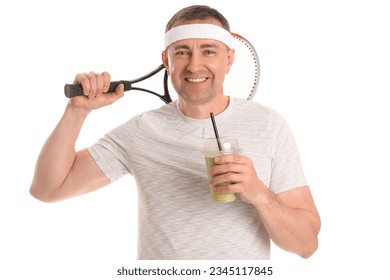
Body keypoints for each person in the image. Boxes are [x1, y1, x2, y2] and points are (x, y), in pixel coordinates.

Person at [30, 5, 320, 260]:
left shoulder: (268, 124)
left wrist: (258, 193)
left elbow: (306, 245)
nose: (194, 65)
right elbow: (48, 188)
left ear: (228, 60)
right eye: (182, 52)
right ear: (166, 61)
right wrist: (77, 111)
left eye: (209, 50)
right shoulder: (142, 130)